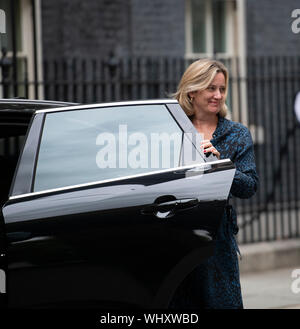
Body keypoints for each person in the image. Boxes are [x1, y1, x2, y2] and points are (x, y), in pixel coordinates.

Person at [169, 58, 259, 309]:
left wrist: (221, 166)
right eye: (211, 88)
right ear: (192, 90)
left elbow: (250, 186)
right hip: (174, 235)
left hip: (217, 239)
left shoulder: (237, 133)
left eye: (222, 89)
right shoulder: (172, 130)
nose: (218, 95)